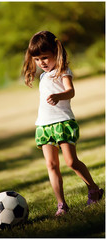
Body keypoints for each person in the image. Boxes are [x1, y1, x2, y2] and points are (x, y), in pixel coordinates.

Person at [23, 30, 103, 216]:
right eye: (37, 59)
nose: (41, 62)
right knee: (51, 165)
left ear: (55, 53)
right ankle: (62, 205)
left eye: (45, 57)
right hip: (43, 125)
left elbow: (70, 91)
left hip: (63, 122)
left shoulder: (63, 70)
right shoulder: (42, 76)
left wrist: (59, 96)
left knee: (71, 162)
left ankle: (94, 190)